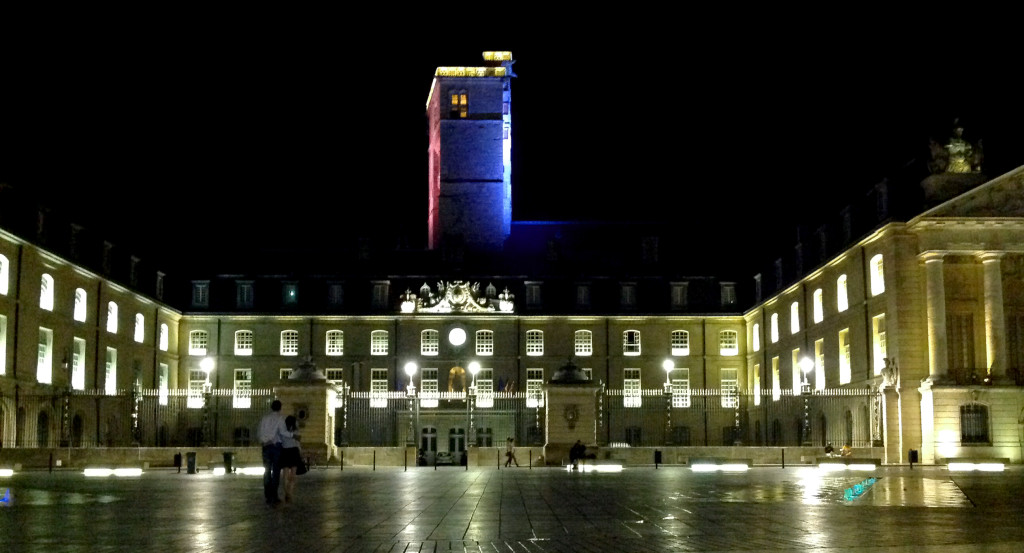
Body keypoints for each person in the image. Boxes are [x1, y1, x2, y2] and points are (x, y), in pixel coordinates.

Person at [258, 399, 293, 506]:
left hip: (265, 446)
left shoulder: (264, 418)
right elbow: (283, 432)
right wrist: (293, 435)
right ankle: (274, 496)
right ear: (280, 407)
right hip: (276, 446)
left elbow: (259, 431)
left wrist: (264, 441)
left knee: (267, 471)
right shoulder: (280, 418)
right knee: (276, 471)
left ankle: (267, 495)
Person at [279, 415, 302, 502]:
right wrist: (300, 452)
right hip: (294, 452)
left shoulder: (283, 432)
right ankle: (290, 492)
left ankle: (286, 492)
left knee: (285, 474)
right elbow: (298, 444)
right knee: (293, 475)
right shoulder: (296, 432)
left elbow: (280, 441)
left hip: (285, 451)